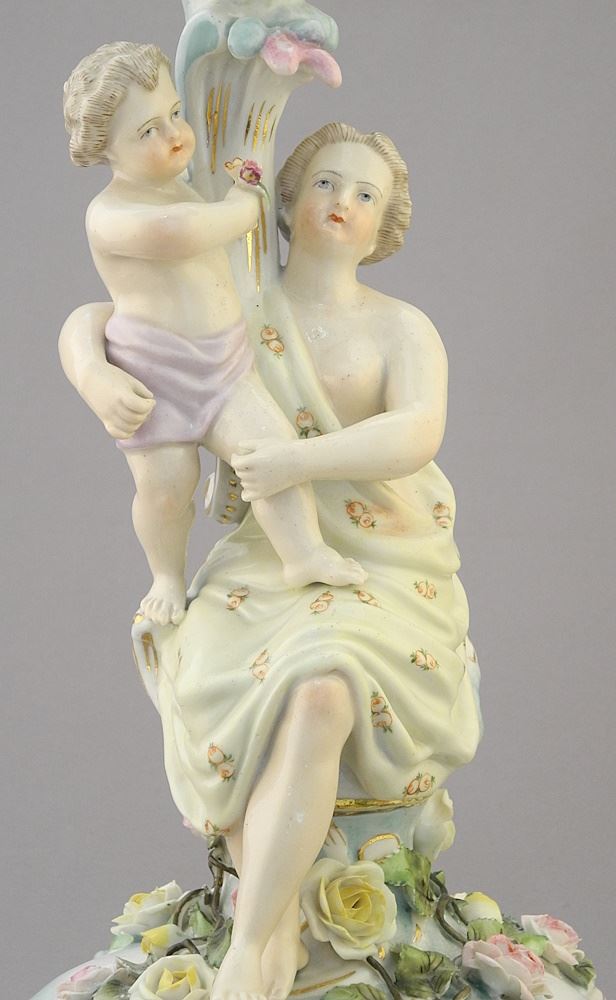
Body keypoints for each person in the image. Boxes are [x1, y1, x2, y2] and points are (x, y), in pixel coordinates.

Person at [59, 122, 482, 1000]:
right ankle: (272, 927)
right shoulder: (236, 298)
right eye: (325, 182)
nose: (342, 202)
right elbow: (105, 312)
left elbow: (418, 431)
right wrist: (93, 373)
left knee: (324, 683)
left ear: (386, 223)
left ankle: (255, 947)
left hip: (384, 556)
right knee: (230, 672)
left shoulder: (401, 327)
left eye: (365, 193)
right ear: (285, 199)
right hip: (265, 557)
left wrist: (295, 461)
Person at [62, 43, 366, 627]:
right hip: (155, 379)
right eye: (149, 130)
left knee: (271, 453)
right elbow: (178, 233)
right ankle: (166, 575)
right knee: (167, 487)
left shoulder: (184, 183)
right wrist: (245, 202)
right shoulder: (110, 215)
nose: (176, 135)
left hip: (225, 365)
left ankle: (303, 554)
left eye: (175, 113)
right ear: (104, 148)